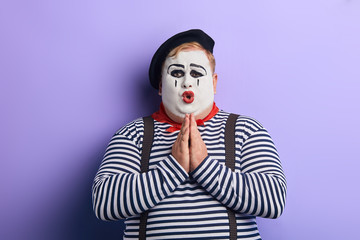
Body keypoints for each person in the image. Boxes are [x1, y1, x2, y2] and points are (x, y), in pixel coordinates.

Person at [92, 29, 287, 239]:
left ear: (213, 83)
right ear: (160, 85)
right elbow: (104, 204)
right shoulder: (133, 134)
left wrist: (204, 165)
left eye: (196, 73)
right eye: (176, 73)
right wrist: (173, 167)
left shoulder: (246, 130)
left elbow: (273, 201)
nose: (187, 82)